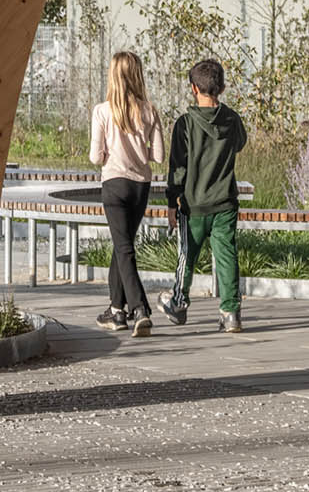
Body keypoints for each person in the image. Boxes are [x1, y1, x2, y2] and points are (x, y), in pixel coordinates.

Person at [158, 57, 248, 334]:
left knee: (188, 254)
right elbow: (240, 144)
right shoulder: (232, 119)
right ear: (221, 88)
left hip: (193, 203)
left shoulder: (185, 124)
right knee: (227, 256)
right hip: (225, 202)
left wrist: (171, 201)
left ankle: (179, 303)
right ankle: (230, 312)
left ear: (193, 88)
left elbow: (177, 166)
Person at [89, 50, 164, 337]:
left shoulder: (102, 111)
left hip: (114, 184)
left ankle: (139, 308)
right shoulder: (149, 110)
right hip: (140, 185)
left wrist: (112, 148)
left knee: (123, 247)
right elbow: (157, 155)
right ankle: (116, 310)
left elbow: (96, 157)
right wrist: (137, 147)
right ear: (137, 75)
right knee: (123, 246)